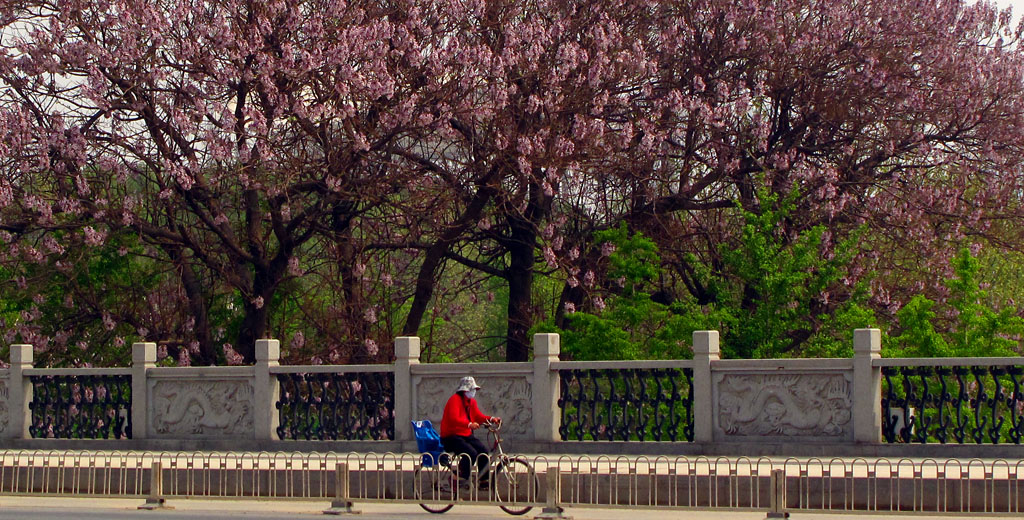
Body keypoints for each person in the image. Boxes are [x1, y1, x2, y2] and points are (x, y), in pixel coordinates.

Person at [440, 376, 501, 488]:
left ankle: (483, 480)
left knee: (483, 451)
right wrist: (469, 424)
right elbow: (453, 418)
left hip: (465, 435)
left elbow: (478, 416)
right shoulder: (454, 400)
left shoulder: (471, 402)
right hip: (451, 436)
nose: (473, 392)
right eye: (471, 390)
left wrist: (492, 419)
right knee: (470, 453)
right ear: (464, 390)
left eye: (474, 390)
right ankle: (460, 477)